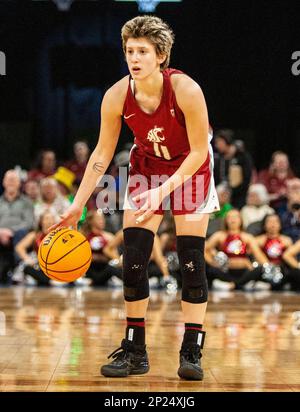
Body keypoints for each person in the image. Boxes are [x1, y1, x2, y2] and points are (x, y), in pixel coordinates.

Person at [49, 15, 220, 381]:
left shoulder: (187, 90)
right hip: (146, 168)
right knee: (134, 261)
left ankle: (191, 351)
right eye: (129, 51)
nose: (134, 58)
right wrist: (77, 205)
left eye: (142, 51)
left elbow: (198, 153)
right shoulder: (116, 95)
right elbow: (101, 153)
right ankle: (135, 351)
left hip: (191, 168)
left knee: (191, 261)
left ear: (161, 55)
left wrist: (164, 189)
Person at [204, 209, 269, 291]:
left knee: (259, 269)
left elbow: (258, 254)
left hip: (244, 271)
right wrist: (212, 263)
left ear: (241, 220)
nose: (233, 219)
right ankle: (243, 284)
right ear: (225, 221)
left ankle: (231, 285)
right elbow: (205, 250)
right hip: (226, 271)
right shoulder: (219, 235)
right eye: (230, 217)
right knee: (211, 270)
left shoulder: (247, 237)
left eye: (236, 217)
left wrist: (269, 267)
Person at [0, 170, 34, 283]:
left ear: (19, 183)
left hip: (18, 234)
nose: (11, 182)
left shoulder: (27, 202)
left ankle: (18, 270)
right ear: (3, 182)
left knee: (21, 233)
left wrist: (11, 231)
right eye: (8, 180)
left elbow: (29, 222)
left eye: (13, 180)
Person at [213, 129, 253, 209]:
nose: (217, 145)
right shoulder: (218, 158)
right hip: (221, 192)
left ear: (226, 141)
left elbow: (247, 179)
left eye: (219, 142)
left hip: (239, 194)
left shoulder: (242, 157)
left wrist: (232, 191)